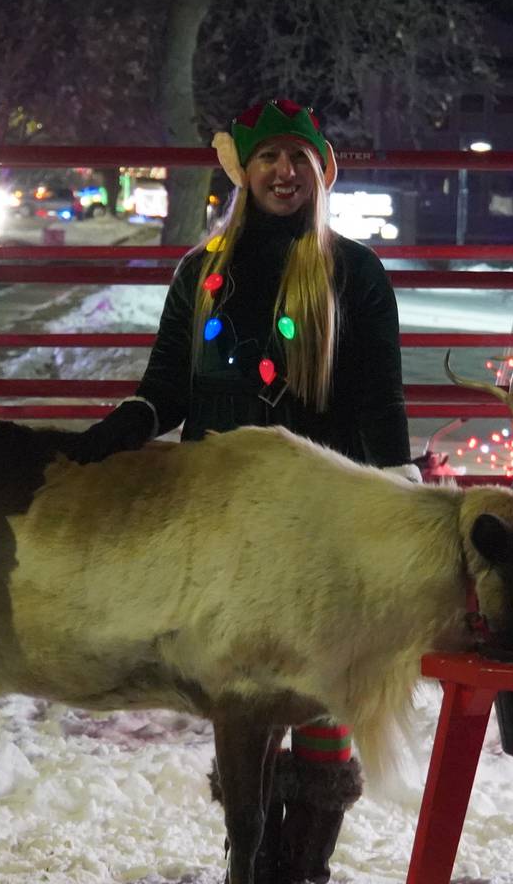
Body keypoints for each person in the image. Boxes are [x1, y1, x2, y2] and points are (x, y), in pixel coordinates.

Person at [71, 98, 417, 884]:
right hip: (222, 526)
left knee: (322, 695)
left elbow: (378, 401)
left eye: (297, 159)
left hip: (317, 528)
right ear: (244, 171)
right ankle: (252, 860)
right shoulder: (202, 274)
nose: (283, 173)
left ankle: (307, 866)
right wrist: (122, 427)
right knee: (244, 698)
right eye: (268, 159)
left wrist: (397, 492)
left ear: (319, 170)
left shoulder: (352, 273)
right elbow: (167, 388)